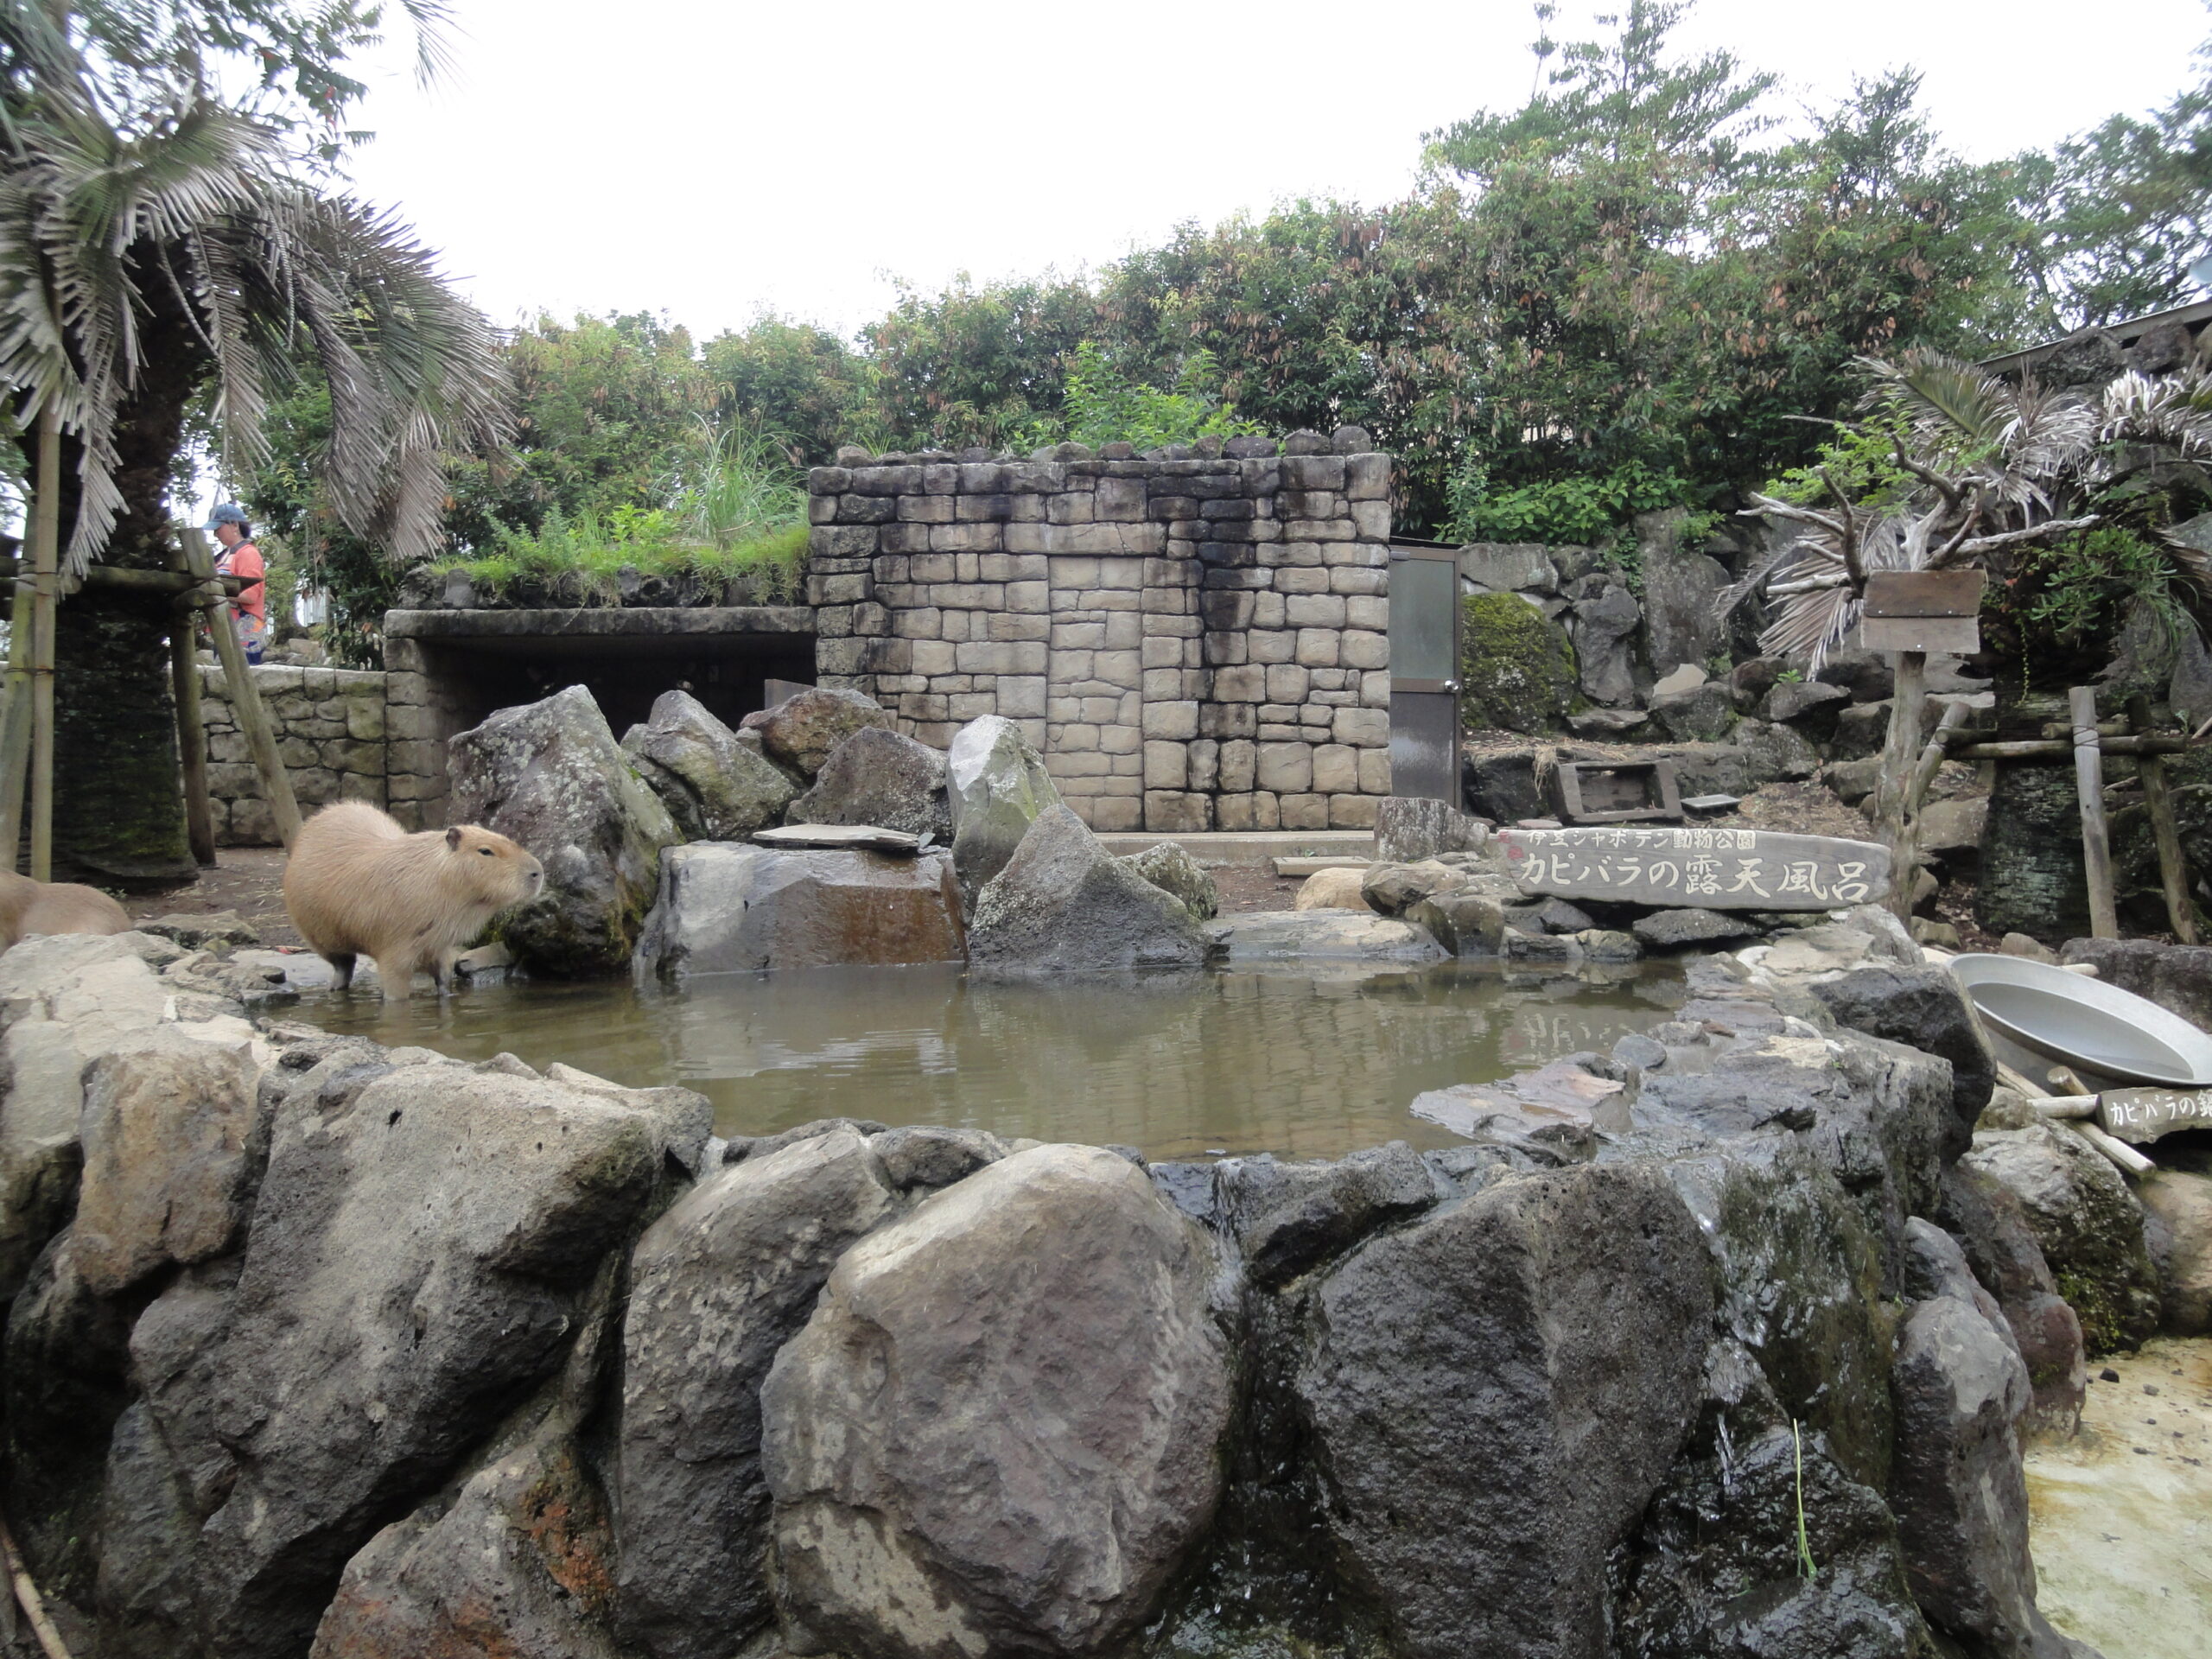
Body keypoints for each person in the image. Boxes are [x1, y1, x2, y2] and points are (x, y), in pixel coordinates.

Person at [205, 502, 266, 664]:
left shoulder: (248, 553)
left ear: (234, 525)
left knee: (243, 683)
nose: (215, 534)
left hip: (245, 631)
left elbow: (250, 596)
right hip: (223, 628)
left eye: (218, 528)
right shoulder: (222, 556)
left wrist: (215, 590)